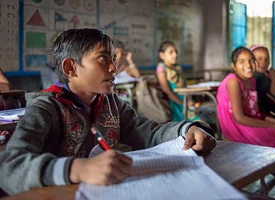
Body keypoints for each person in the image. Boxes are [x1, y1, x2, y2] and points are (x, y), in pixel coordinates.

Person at [0, 28, 216, 195]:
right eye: (103, 58)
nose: (114, 67)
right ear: (70, 68)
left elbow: (148, 133)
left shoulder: (111, 103)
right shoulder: (47, 107)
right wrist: (77, 169)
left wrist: (187, 130)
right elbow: (9, 167)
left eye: (113, 58)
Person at [217, 46, 275, 155]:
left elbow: (256, 113)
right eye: (242, 62)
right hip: (239, 130)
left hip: (250, 123)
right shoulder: (233, 82)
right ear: (234, 66)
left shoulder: (251, 81)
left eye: (251, 60)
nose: (248, 65)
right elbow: (239, 118)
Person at [156, 41, 201, 122]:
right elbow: (167, 90)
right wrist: (182, 103)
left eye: (176, 52)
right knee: (198, 123)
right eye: (171, 52)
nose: (175, 55)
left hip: (185, 99)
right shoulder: (161, 69)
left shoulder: (177, 68)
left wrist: (188, 101)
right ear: (162, 55)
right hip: (174, 102)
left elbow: (184, 86)